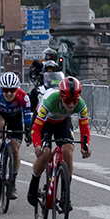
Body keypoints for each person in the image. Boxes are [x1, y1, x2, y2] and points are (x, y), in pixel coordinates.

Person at [26, 76, 91, 204]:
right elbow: (37, 128)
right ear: (61, 97)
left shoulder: (81, 105)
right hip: (43, 123)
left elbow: (84, 129)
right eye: (67, 100)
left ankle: (65, 193)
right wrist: (37, 145)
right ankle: (34, 185)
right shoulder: (49, 101)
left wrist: (85, 147)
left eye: (74, 101)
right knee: (45, 154)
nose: (71, 104)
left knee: (68, 150)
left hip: (62, 121)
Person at [0, 72, 32, 197]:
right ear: (1, 89)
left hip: (15, 119)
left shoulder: (23, 97)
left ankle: (12, 182)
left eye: (12, 90)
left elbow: (27, 118)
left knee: (15, 150)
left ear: (17, 89)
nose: (9, 93)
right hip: (0, 115)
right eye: (6, 90)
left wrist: (28, 132)